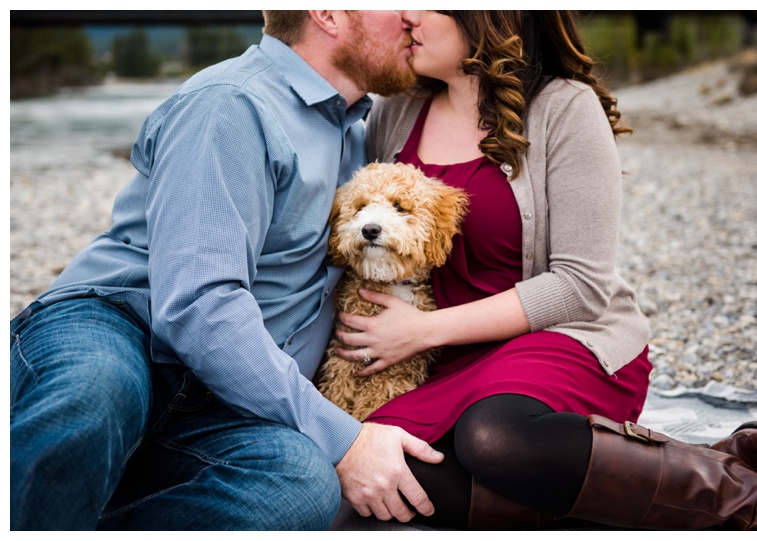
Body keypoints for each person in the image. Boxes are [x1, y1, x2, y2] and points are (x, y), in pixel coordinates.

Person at [334, 10, 757, 530]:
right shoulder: (394, 112)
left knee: (494, 437)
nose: (405, 14)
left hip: (565, 339)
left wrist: (421, 330)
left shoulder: (566, 108)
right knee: (391, 473)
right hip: (443, 363)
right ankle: (704, 462)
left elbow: (581, 285)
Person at [10, 10, 445, 531]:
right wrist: (346, 439)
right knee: (90, 399)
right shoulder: (233, 105)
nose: (413, 16)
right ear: (328, 13)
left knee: (300, 486)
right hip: (125, 326)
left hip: (226, 395)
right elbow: (199, 305)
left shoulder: (357, 126)